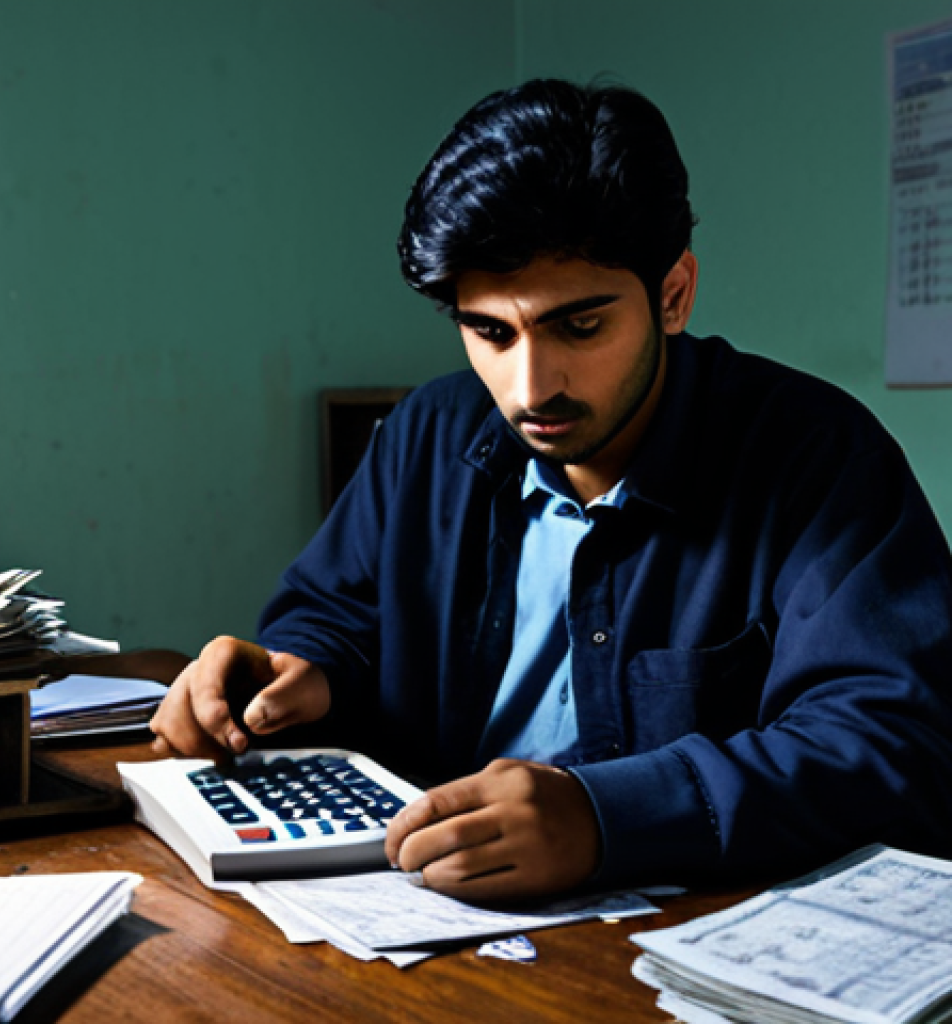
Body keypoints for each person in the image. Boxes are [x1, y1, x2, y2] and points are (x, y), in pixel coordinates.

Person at [150, 79, 952, 901]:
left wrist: (606, 817)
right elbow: (337, 614)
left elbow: (893, 743)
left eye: (581, 325)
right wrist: (302, 671)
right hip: (422, 910)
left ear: (673, 296)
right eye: (490, 331)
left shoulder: (818, 455)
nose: (531, 387)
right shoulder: (428, 431)